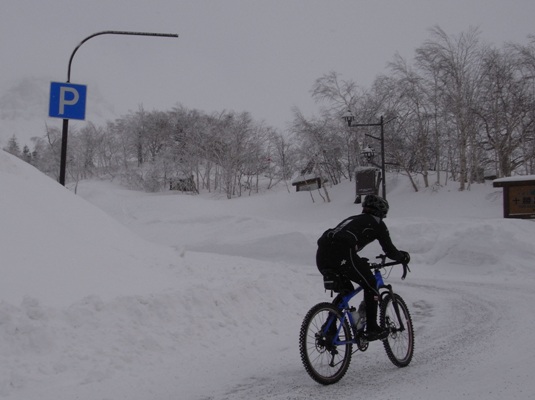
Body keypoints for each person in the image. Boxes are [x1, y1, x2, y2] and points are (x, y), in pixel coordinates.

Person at [316, 194, 410, 341]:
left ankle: (329, 328)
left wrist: (357, 261)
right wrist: (402, 257)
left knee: (346, 290)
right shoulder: (377, 223)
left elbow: (344, 240)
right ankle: (372, 328)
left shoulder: (353, 219)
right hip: (342, 253)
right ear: (382, 212)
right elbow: (390, 251)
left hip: (322, 256)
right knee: (371, 283)